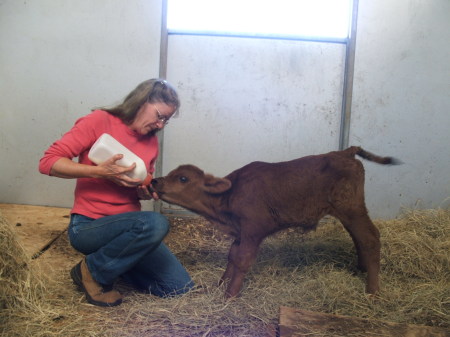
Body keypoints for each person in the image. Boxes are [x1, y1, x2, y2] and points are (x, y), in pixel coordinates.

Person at [39, 79, 194, 307]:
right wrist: (99, 172)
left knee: (178, 287)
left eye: (166, 121)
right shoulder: (99, 120)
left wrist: (143, 192)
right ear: (142, 101)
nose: (160, 125)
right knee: (155, 223)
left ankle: (115, 264)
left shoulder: (151, 143)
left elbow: (137, 186)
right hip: (89, 226)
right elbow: (48, 163)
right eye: (159, 115)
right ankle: (90, 271)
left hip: (128, 229)